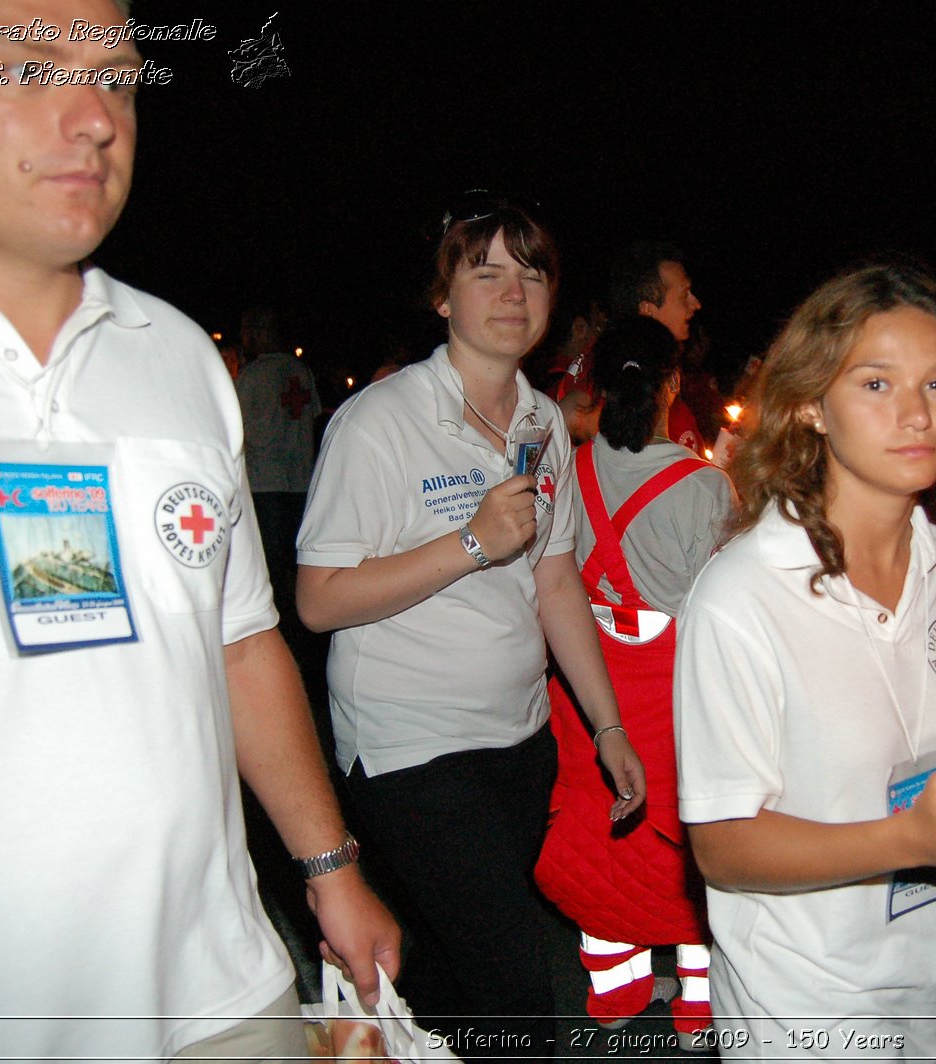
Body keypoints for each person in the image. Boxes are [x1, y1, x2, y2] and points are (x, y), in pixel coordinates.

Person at [0, 1, 399, 1060]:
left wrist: (330, 866)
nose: (95, 117)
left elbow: (240, 641)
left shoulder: (177, 357)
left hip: (226, 992)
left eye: (116, 75)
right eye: (24, 70)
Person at [295, 192, 646, 1059]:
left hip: (519, 739)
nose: (513, 292)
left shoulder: (542, 422)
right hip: (411, 745)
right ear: (441, 296)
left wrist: (607, 726)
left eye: (531, 273)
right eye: (483, 271)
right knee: (516, 992)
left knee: (455, 977)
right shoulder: (379, 422)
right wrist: (470, 543)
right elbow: (317, 599)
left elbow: (556, 580)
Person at [675, 261, 936, 1060]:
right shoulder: (741, 595)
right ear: (812, 404)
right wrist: (910, 840)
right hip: (798, 1006)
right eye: (877, 385)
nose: (917, 415)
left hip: (932, 989)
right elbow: (722, 844)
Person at [533, 316, 732, 1047]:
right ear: (671, 385)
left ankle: (615, 991)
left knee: (595, 829)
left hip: (587, 691)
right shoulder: (704, 483)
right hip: (669, 693)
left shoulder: (570, 467)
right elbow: (723, 606)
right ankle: (697, 1011)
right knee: (685, 836)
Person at [235, 305, 322, 622]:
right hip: (300, 484)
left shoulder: (253, 376)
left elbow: (235, 428)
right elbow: (312, 419)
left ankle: (277, 626)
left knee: (268, 568)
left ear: (258, 333)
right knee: (294, 564)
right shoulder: (300, 371)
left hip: (264, 485)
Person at [609, 239, 709, 452]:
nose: (696, 304)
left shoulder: (666, 378)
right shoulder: (624, 391)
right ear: (648, 311)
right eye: (685, 295)